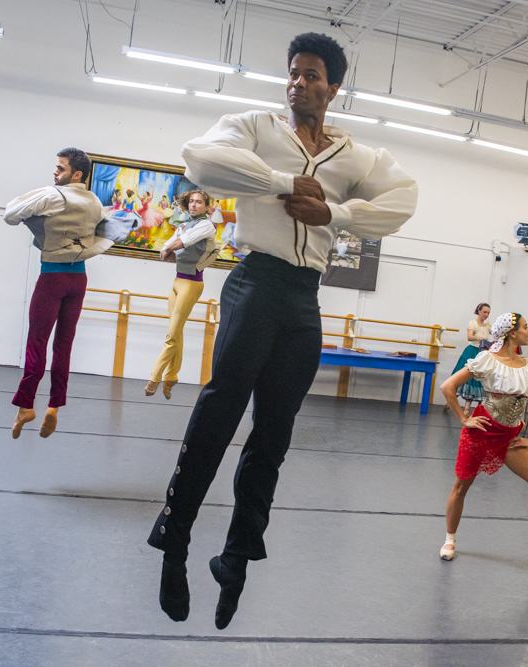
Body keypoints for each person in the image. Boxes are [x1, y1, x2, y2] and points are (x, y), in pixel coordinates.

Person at [147, 32, 418, 630]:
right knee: (220, 410)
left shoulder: (354, 156)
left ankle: (238, 556)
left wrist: (337, 214)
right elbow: (200, 158)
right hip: (254, 281)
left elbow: (403, 200)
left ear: (334, 87)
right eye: (293, 72)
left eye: (313, 75)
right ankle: (176, 537)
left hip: (304, 299)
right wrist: (285, 184)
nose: (299, 82)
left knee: (274, 432)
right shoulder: (254, 126)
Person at [438, 313, 528, 579]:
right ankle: (450, 539)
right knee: (461, 488)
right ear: (512, 333)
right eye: (526, 326)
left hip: (510, 437)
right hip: (481, 433)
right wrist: (465, 419)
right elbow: (448, 386)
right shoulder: (487, 361)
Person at [4, 148, 114, 440]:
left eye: (60, 168)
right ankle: (54, 405)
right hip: (78, 280)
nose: (55, 172)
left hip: (52, 277)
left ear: (76, 174)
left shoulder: (54, 195)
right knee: (63, 345)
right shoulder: (94, 202)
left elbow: (10, 215)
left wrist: (36, 206)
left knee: (37, 343)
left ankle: (26, 405)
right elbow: (108, 230)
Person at [146, 190, 220, 399]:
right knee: (176, 332)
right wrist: (167, 249)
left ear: (207, 207)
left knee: (171, 336)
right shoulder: (183, 225)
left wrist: (169, 248)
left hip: (191, 284)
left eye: (199, 202)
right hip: (177, 282)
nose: (194, 205)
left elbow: (180, 243)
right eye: (191, 202)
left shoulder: (206, 225)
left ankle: (155, 376)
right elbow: (165, 248)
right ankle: (172, 376)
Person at [444, 303, 491, 412]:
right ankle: (452, 403)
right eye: (485, 312)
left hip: (482, 353)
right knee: (464, 377)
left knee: (476, 379)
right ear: (479, 311)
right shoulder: (473, 323)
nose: (486, 314)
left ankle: (466, 409)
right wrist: (476, 337)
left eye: (488, 312)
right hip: (471, 352)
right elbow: (469, 337)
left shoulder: (488, 326)